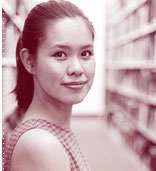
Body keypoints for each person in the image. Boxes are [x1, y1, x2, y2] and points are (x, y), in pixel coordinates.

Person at [4, 0, 95, 170]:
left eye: (85, 53)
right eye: (60, 54)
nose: (77, 68)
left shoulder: (55, 130)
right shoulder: (42, 144)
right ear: (29, 61)